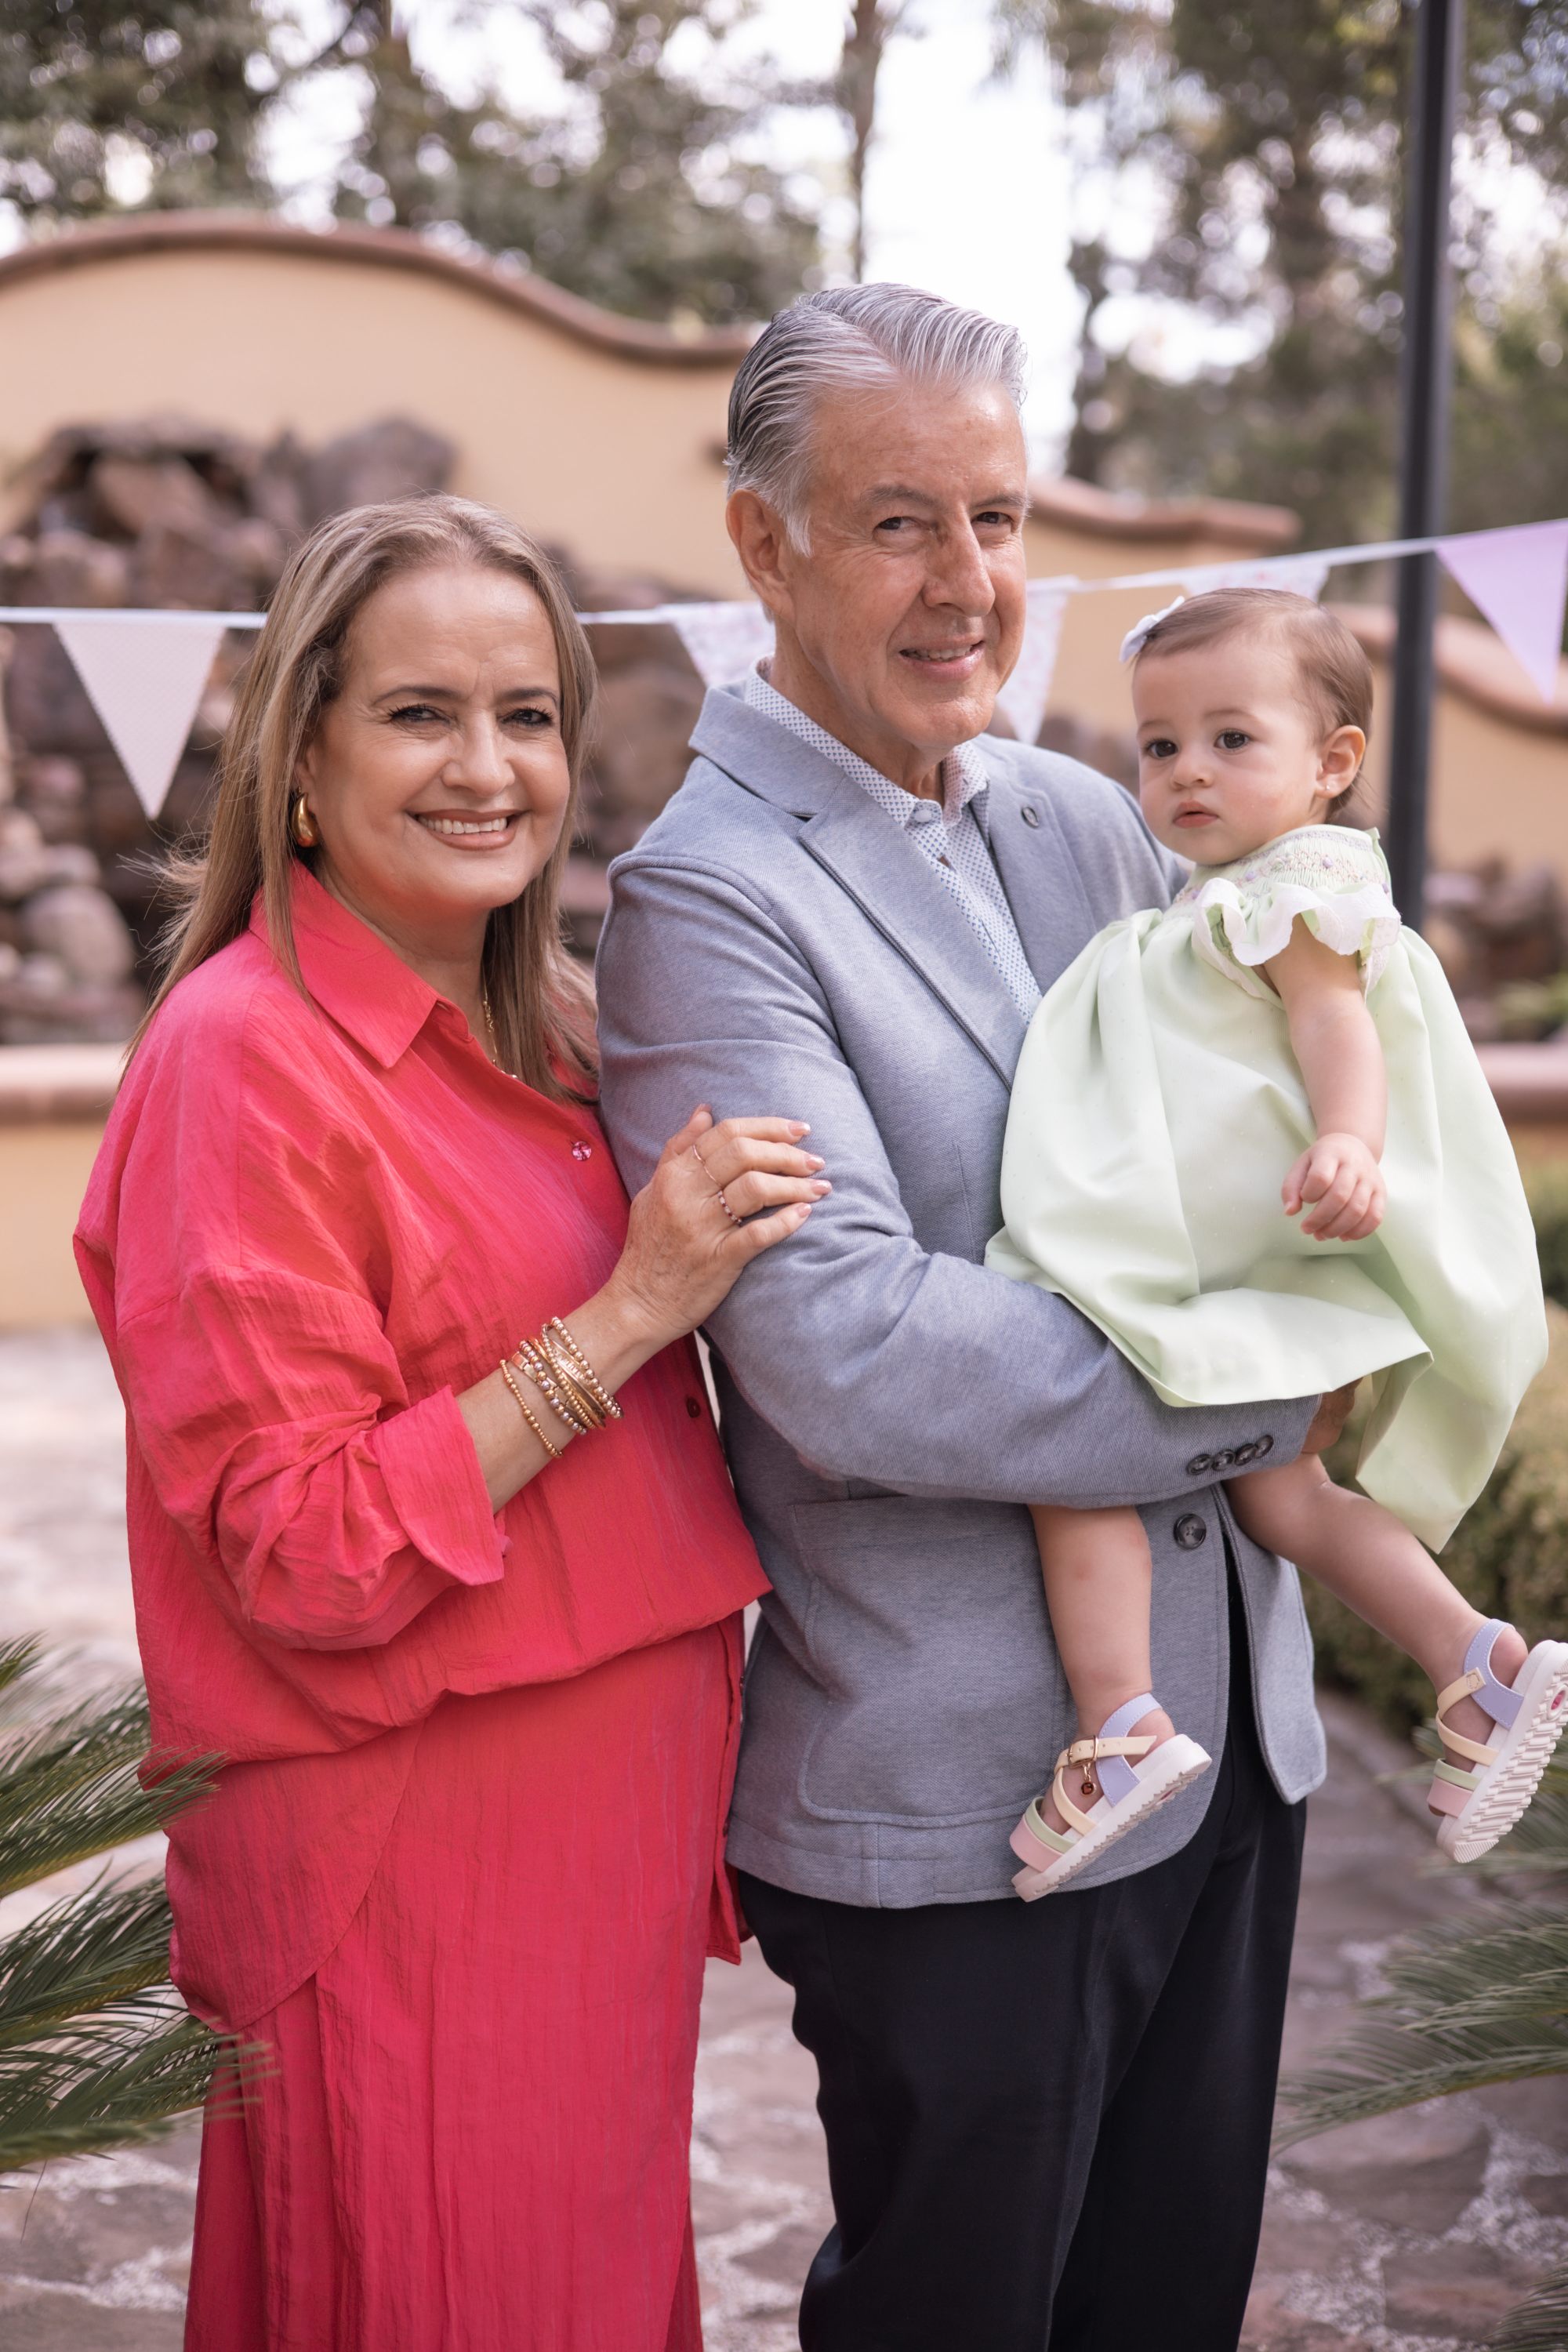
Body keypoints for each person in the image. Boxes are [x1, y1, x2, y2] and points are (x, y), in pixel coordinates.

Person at [596, 282, 1348, 2352]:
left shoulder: (1090, 816)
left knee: (1162, 2312)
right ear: (764, 547)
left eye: (999, 520)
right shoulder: (704, 899)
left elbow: (1250, 1144)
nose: (968, 583)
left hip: (1233, 1742)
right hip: (963, 1807)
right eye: (899, 522)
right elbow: (849, 1346)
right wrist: (1270, 1388)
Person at [74, 494, 829, 2352]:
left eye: (527, 716)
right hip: (408, 1850)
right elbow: (304, 1548)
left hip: (601, 1833)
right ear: (302, 759)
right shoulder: (245, 1060)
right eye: (421, 714)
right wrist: (630, 1312)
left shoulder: (561, 1028)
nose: (488, 770)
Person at [993, 587, 1560, 1900]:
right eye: (1160, 744)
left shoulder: (1296, 894)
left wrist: (1352, 1139)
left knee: (1064, 1448)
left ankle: (1120, 1725)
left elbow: (1334, 1026)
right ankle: (1476, 1663)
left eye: (1231, 739)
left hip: (1212, 1266)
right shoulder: (1221, 896)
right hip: (1239, 1276)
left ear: (1334, 762)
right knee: (1283, 1495)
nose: (1186, 770)